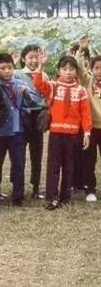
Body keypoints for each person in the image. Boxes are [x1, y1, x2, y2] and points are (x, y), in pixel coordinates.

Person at [33, 54, 93, 210]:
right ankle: (52, 198)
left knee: (69, 166)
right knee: (53, 166)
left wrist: (87, 133)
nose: (68, 72)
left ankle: (65, 197)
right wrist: (41, 66)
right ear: (59, 71)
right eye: (64, 69)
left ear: (76, 71)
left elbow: (85, 114)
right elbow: (38, 84)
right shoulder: (53, 86)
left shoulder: (81, 91)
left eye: (71, 69)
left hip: (73, 134)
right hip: (56, 133)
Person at [0, 53, 40, 206]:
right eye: (2, 68)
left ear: (14, 67)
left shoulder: (20, 84)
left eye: (9, 67)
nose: (7, 71)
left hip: (18, 130)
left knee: (18, 163)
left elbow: (33, 104)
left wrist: (26, 95)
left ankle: (18, 195)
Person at [14, 44, 49, 199]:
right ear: (23, 59)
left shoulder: (44, 75)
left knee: (37, 153)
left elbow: (46, 96)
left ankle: (36, 187)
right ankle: (18, 187)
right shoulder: (16, 74)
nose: (34, 61)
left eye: (37, 57)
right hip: (22, 116)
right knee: (19, 154)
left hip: (37, 116)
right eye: (30, 57)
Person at [75, 40, 101, 202]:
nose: (100, 71)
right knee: (89, 160)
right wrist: (81, 49)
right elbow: (79, 67)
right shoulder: (87, 80)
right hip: (90, 128)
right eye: (97, 68)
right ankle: (90, 189)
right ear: (92, 69)